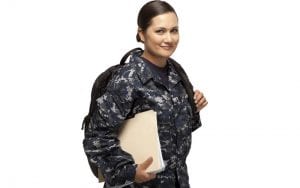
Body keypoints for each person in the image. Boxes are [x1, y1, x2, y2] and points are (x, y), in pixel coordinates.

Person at [83, 1, 208, 187]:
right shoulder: (127, 79)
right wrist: (130, 172)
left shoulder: (176, 72)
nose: (169, 38)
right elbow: (96, 139)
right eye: (160, 31)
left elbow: (176, 132)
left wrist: (193, 106)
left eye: (174, 30)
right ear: (142, 34)